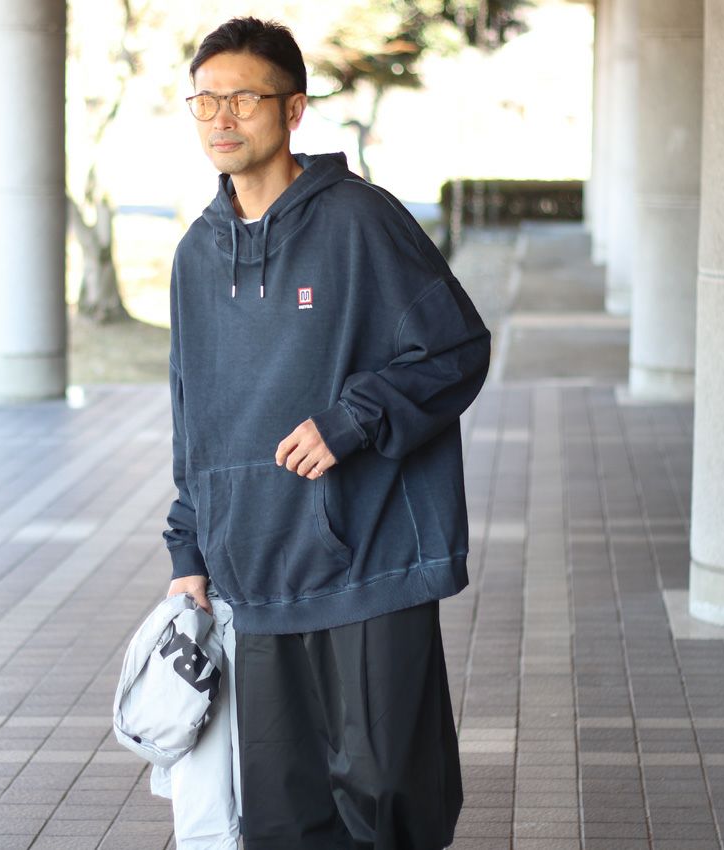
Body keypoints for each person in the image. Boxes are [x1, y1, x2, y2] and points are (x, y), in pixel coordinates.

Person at [164, 16, 491, 850]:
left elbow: (456, 347)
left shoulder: (359, 221)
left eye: (243, 98)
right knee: (283, 818)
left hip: (369, 563)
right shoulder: (195, 255)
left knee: (388, 800)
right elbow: (192, 417)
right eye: (205, 101)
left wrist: (352, 421)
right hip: (255, 574)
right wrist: (187, 551)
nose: (222, 118)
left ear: (294, 109)